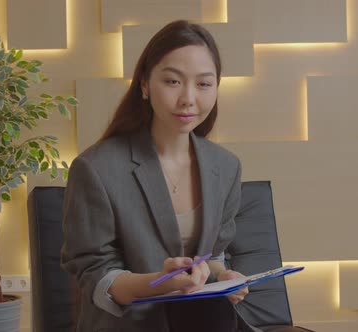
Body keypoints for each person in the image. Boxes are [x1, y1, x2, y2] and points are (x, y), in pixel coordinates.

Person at [61, 20, 259, 332]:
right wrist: (159, 282)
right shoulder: (95, 169)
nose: (188, 99)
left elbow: (214, 254)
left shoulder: (226, 166)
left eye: (204, 84)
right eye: (173, 82)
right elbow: (95, 276)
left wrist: (223, 276)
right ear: (144, 84)